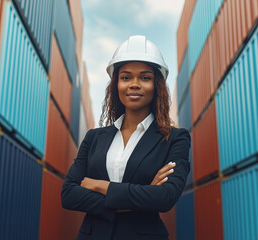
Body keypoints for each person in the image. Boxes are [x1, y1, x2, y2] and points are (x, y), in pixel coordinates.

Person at [61, 35, 191, 240]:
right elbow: (69, 195)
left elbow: (165, 198)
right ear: (116, 84)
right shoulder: (94, 138)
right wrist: (143, 195)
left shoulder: (175, 138)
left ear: (157, 85)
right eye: (126, 77)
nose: (134, 84)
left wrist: (100, 186)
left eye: (145, 77)